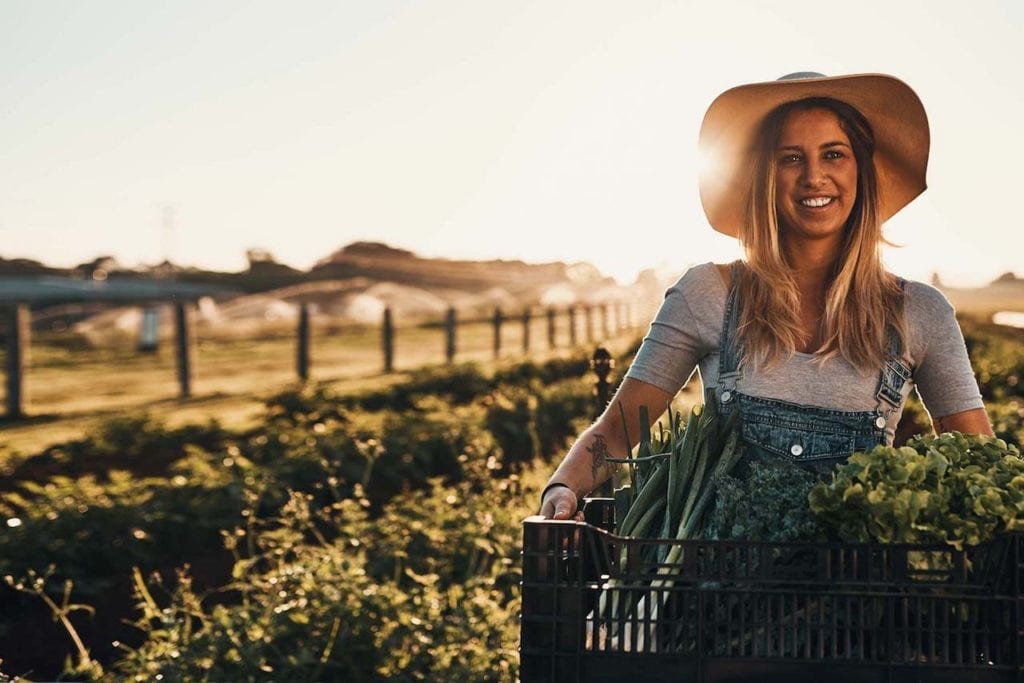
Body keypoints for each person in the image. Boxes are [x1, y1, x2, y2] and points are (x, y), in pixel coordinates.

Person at [540, 72, 993, 521]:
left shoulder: (919, 312)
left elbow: (977, 463)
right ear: (765, 176)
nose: (814, 176)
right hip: (720, 582)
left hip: (856, 585)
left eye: (834, 154)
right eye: (790, 158)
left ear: (861, 169)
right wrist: (563, 486)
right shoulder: (709, 294)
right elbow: (618, 430)